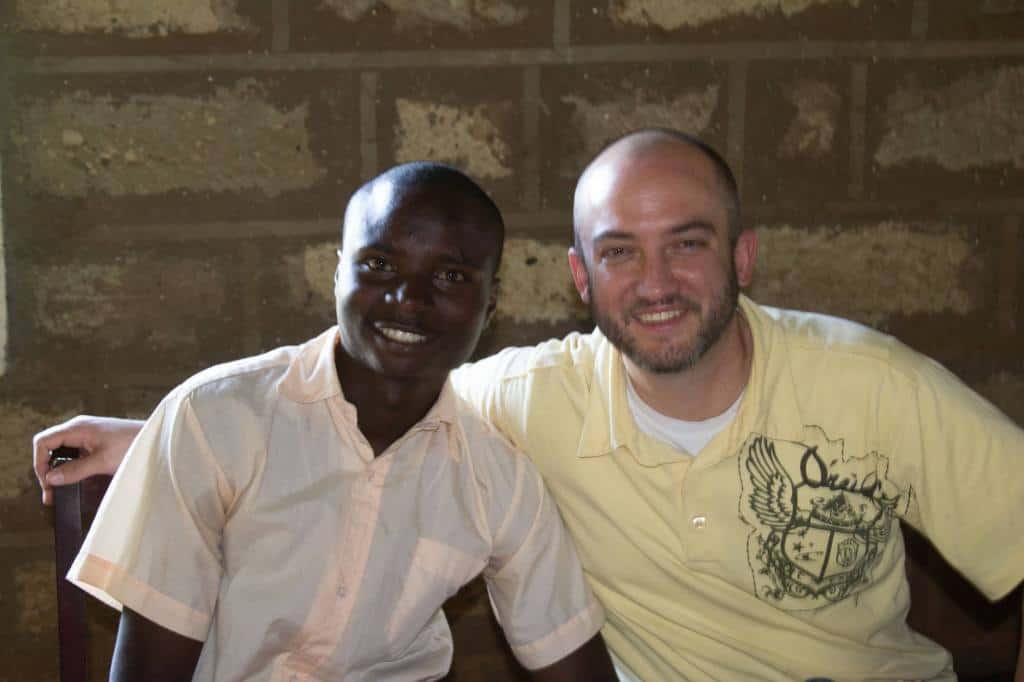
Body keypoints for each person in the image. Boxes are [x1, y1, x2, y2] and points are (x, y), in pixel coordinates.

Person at [35, 129, 1024, 681]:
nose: (656, 282)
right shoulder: (526, 398)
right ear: (579, 281)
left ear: (742, 256)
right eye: (619, 253)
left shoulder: (872, 385)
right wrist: (161, 426)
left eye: (686, 242)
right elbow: (362, 387)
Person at [43, 162, 616, 681]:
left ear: (490, 306)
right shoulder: (216, 422)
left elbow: (571, 660)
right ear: (337, 274)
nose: (409, 298)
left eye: (450, 277)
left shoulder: (498, 482)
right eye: (379, 264)